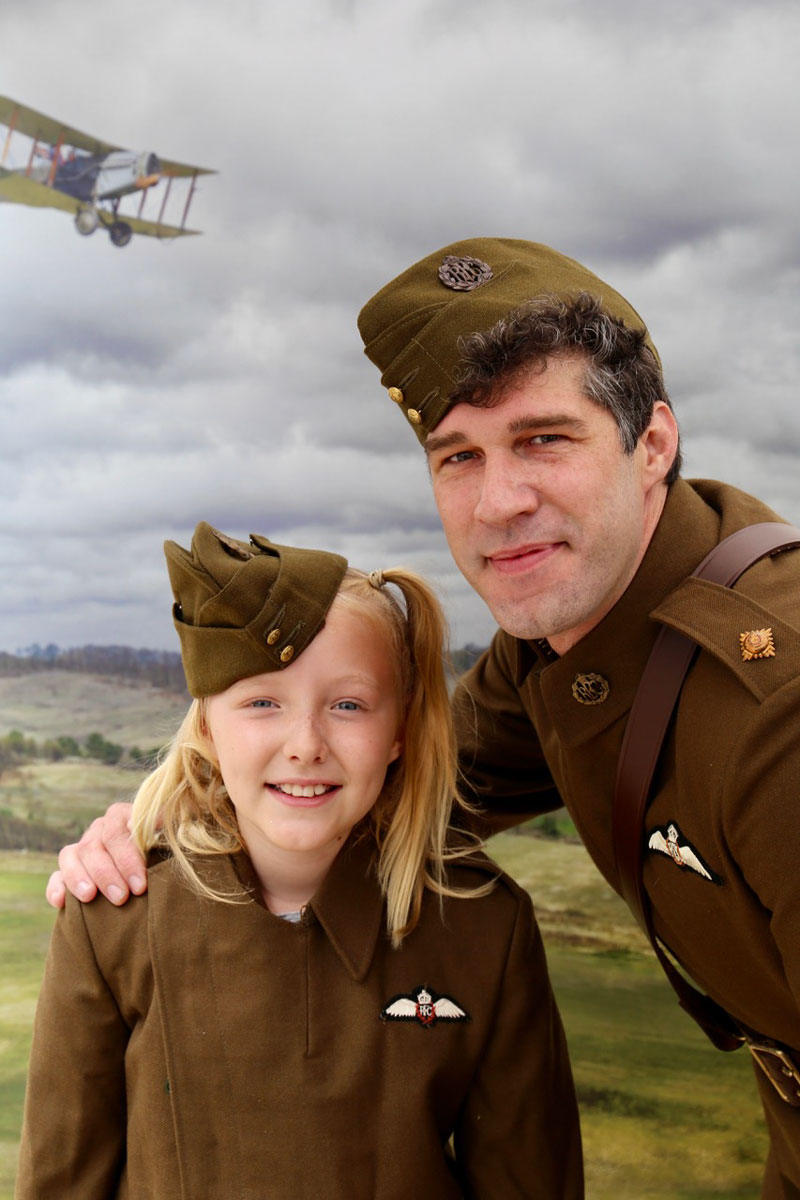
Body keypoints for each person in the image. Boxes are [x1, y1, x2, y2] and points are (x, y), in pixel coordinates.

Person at [50, 237, 800, 1195]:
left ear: (652, 443)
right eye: (457, 455)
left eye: (544, 439)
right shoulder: (562, 646)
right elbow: (374, 792)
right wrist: (151, 835)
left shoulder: (776, 708)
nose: (499, 502)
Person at [19, 520, 582, 1199]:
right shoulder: (112, 922)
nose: (305, 743)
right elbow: (60, 1182)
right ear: (205, 725)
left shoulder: (486, 927)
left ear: (399, 730)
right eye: (262, 702)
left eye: (348, 704)